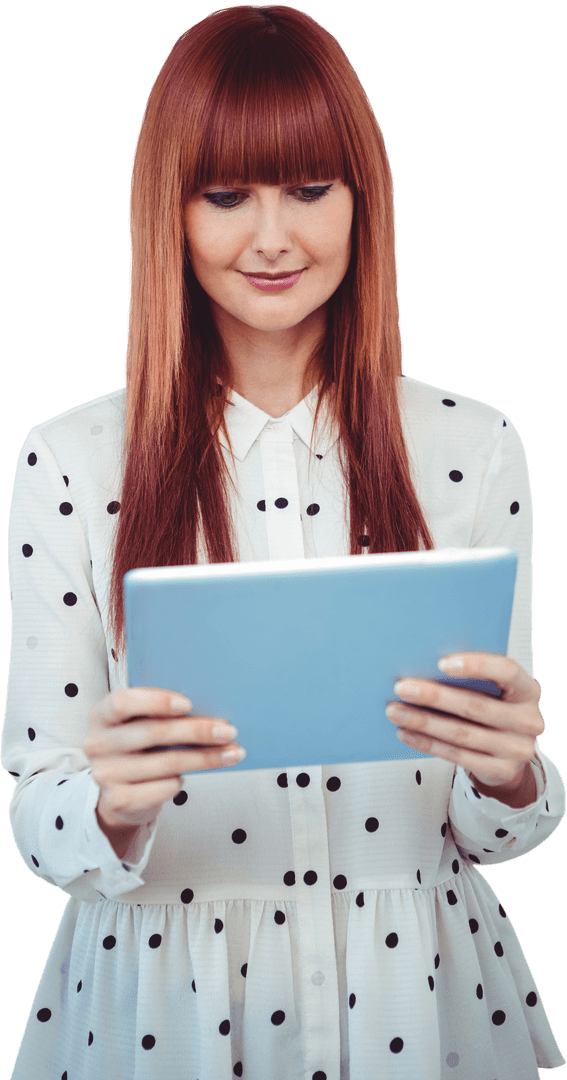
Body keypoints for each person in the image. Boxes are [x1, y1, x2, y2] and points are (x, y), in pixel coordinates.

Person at [2, 5, 565, 1079]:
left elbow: (497, 828)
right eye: (226, 196)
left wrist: (508, 779)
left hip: (422, 998)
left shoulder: (475, 446)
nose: (273, 238)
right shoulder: (70, 461)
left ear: (363, 200)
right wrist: (110, 804)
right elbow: (39, 813)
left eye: (310, 188)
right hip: (164, 1006)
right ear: (169, 211)